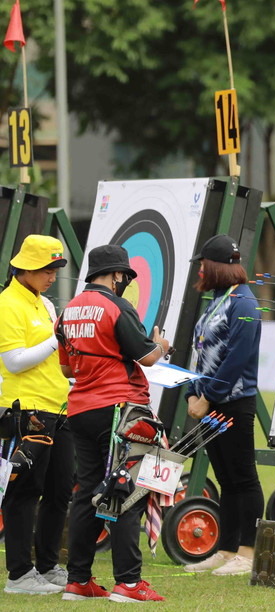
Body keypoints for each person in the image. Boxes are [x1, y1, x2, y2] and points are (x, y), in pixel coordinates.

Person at [56, 244, 169, 602]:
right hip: (119, 409)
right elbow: (148, 357)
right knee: (126, 491)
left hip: (81, 409)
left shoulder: (68, 311)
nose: (125, 283)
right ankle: (130, 584)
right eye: (125, 277)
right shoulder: (117, 307)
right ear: (117, 275)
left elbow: (65, 368)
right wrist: (162, 343)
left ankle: (78, 581)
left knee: (87, 490)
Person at [182, 234, 263, 576]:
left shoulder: (243, 303)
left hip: (233, 405)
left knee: (243, 478)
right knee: (226, 479)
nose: (200, 270)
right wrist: (192, 392)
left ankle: (248, 550)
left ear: (216, 267)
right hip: (209, 404)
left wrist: (208, 397)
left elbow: (237, 358)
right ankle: (227, 550)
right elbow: (200, 353)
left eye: (204, 264)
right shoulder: (219, 300)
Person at [0, 235, 72, 595]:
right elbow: (13, 361)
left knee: (60, 489)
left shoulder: (43, 302)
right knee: (25, 492)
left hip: (58, 407)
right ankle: (19, 575)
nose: (53, 276)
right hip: (28, 411)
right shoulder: (8, 303)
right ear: (26, 268)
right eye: (47, 269)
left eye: (56, 269)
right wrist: (56, 339)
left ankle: (47, 566)